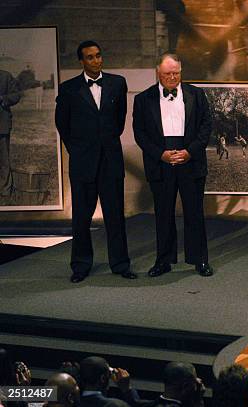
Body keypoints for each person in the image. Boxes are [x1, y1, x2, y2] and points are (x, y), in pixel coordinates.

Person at [55, 40, 134, 283]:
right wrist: (77, 151)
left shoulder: (117, 83)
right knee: (81, 217)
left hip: (110, 161)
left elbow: (119, 121)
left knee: (115, 217)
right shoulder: (68, 88)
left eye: (98, 55)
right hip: (82, 164)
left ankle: (120, 264)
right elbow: (62, 124)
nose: (96, 60)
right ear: (81, 61)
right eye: (90, 57)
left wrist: (105, 143)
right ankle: (80, 266)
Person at [133, 53, 213, 278]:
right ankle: (164, 261)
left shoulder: (197, 94)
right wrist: (161, 154)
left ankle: (200, 260)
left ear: (181, 71)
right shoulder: (143, 99)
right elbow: (140, 134)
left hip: (191, 158)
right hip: (161, 162)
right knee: (163, 214)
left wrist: (189, 152)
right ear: (158, 72)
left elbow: (206, 127)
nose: (172, 78)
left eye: (176, 73)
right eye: (167, 74)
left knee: (194, 213)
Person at [0, 69, 21, 201]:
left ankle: (5, 189)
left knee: (3, 159)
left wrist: (3, 98)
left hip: (2, 125)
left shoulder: (6, 76)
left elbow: (16, 95)